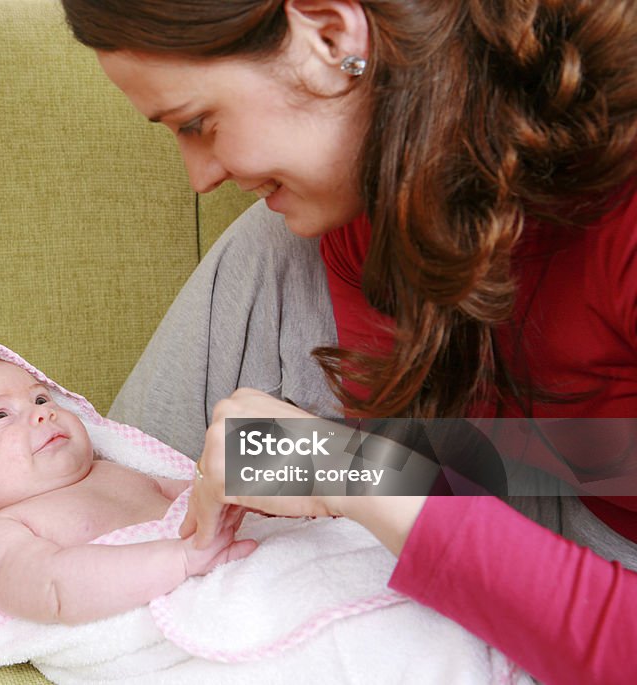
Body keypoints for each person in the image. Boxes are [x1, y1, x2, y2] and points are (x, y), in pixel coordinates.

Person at [59, 1, 637, 683]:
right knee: (275, 240)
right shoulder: (354, 203)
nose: (200, 177)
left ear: (331, 35)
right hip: (513, 471)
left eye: (198, 123)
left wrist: (356, 472)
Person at [0, 356, 256, 624]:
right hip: (178, 609)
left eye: (40, 397)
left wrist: (249, 484)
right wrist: (181, 561)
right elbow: (55, 588)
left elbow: (202, 492)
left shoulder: (114, 472)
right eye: (0, 415)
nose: (43, 412)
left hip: (238, 566)